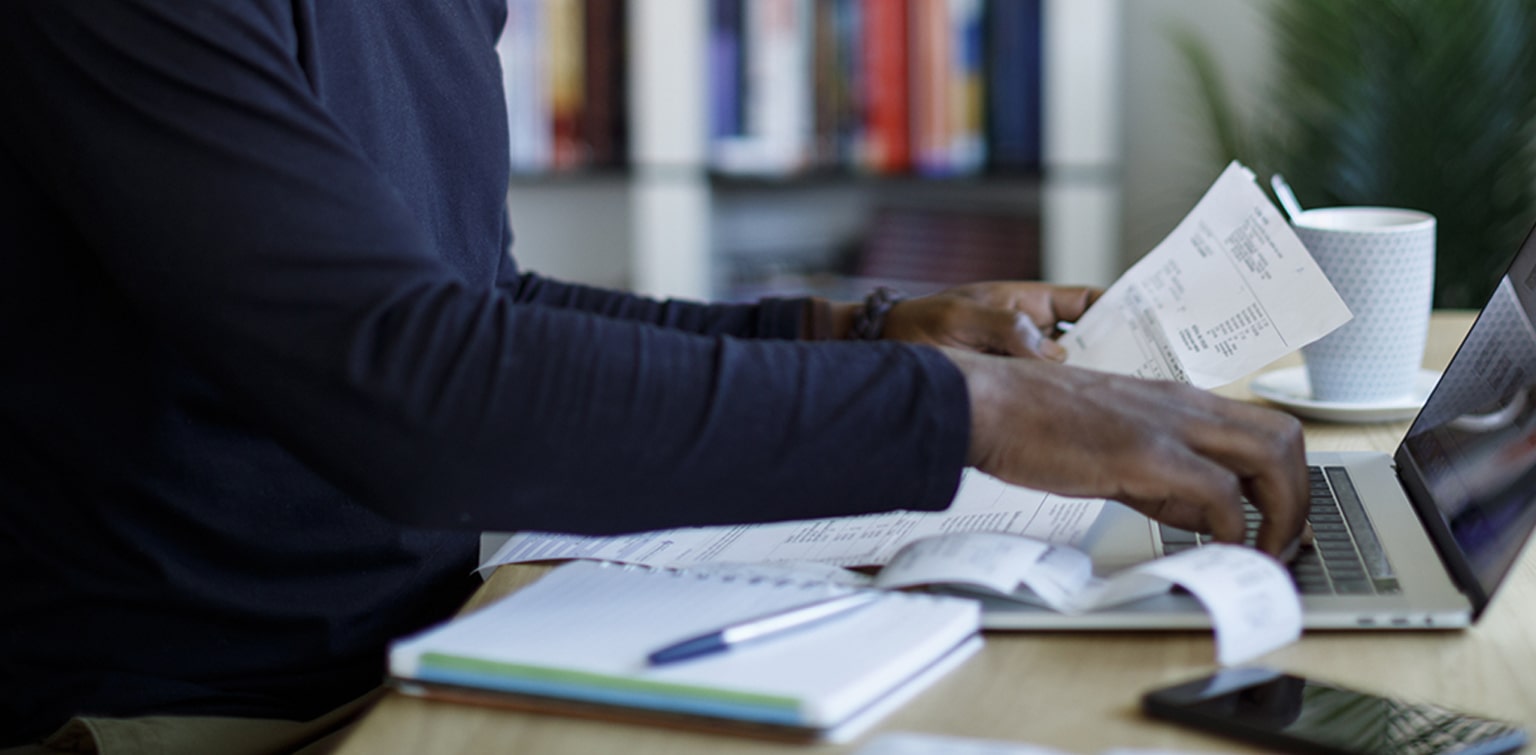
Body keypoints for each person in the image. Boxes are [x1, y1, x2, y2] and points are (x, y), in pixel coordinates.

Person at [0, 2, 1308, 753]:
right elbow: (411, 390)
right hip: (185, 711)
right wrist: (987, 412)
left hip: (432, 639)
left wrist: (859, 338)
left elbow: (476, 302)